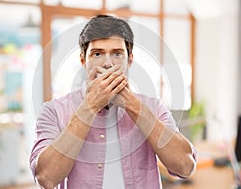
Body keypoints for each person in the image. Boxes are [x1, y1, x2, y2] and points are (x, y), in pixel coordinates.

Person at [30, 14, 197, 189]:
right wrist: (91, 105)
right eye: (97, 54)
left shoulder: (154, 107)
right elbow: (46, 177)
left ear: (130, 59)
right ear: (83, 60)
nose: (108, 63)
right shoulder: (53, 111)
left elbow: (185, 166)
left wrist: (131, 104)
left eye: (117, 54)